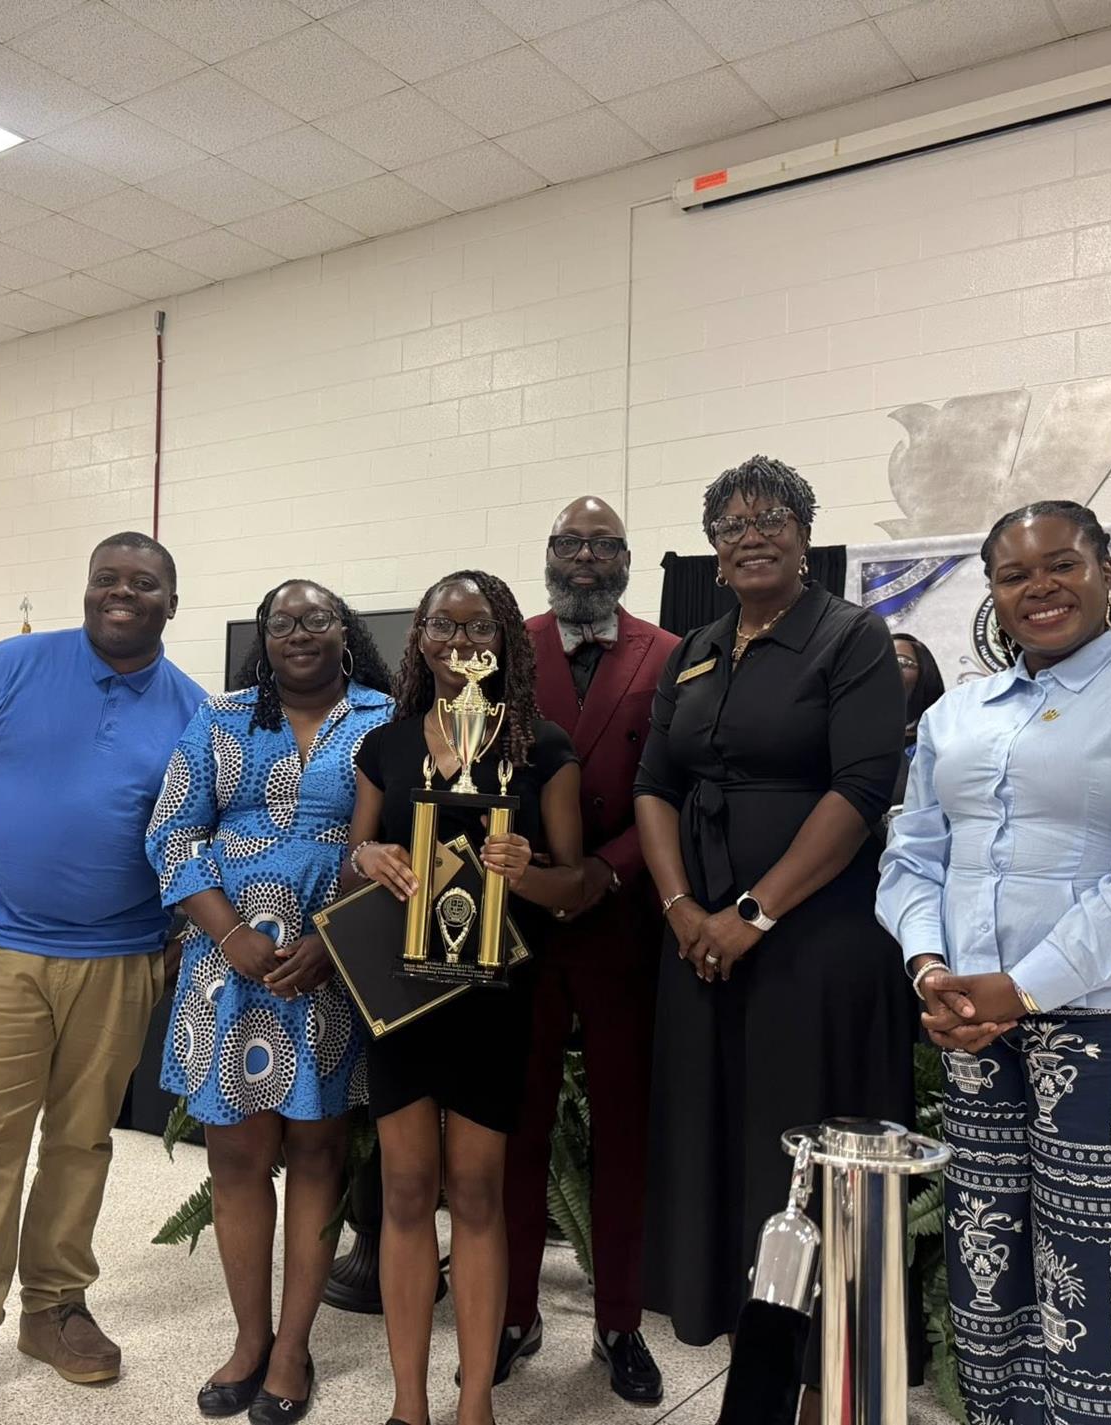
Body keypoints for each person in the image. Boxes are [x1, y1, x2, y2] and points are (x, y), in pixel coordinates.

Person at [879, 499, 1111, 1425]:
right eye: (1012, 574)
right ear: (992, 595)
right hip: (967, 1017)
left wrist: (1023, 984)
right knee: (987, 1248)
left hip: (1107, 1021)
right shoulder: (957, 714)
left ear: (1106, 570)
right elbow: (913, 853)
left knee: (1098, 1261)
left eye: (1061, 564)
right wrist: (929, 966)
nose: (1039, 587)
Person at [0, 533, 203, 1425]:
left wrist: (179, 934)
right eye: (107, 578)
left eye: (144, 584)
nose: (122, 593)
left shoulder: (191, 709)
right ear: (86, 589)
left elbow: (199, 832)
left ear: (170, 606)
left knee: (80, 1142)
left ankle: (55, 1308)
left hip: (119, 960)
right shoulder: (12, 665)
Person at [633, 456, 912, 1402]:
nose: (752, 533)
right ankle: (726, 1321)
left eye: (772, 516)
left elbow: (863, 788)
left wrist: (753, 913)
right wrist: (681, 908)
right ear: (713, 549)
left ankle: (818, 1346)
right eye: (733, 522)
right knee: (711, 1119)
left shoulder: (851, 636)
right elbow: (654, 786)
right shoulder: (696, 648)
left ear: (805, 532)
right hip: (698, 937)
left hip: (815, 934)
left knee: (797, 1130)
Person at [338, 571, 586, 1425]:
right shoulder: (388, 746)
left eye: (476, 624)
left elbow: (579, 883)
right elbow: (352, 858)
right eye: (441, 624)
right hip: (402, 995)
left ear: (504, 638)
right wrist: (367, 859)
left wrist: (532, 874)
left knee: (476, 1193)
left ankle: (474, 1398)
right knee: (407, 1190)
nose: (457, 638)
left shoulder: (543, 747)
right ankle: (409, 1403)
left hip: (493, 996)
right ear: (420, 638)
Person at [148, 579, 394, 1424]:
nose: (299, 632)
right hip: (232, 973)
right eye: (282, 620)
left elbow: (405, 846)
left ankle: (294, 1347)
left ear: (344, 632)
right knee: (238, 1159)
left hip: (330, 964)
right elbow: (173, 830)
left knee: (319, 1154)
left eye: (316, 618)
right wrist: (228, 935)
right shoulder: (221, 718)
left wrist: (337, 942)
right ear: (264, 635)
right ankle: (249, 1339)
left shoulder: (383, 718)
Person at [504, 497, 677, 1404]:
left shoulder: (671, 653)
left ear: (626, 559)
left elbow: (674, 788)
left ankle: (618, 1321)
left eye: (602, 544)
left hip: (623, 916)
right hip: (516, 921)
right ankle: (516, 1312)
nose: (585, 556)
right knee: (517, 1128)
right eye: (570, 541)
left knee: (622, 1130)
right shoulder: (505, 642)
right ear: (547, 553)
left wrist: (604, 874)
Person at [892, 632, 945, 806]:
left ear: (925, 673)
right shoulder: (853, 740)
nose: (888, 669)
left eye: (900, 662)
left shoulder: (943, 737)